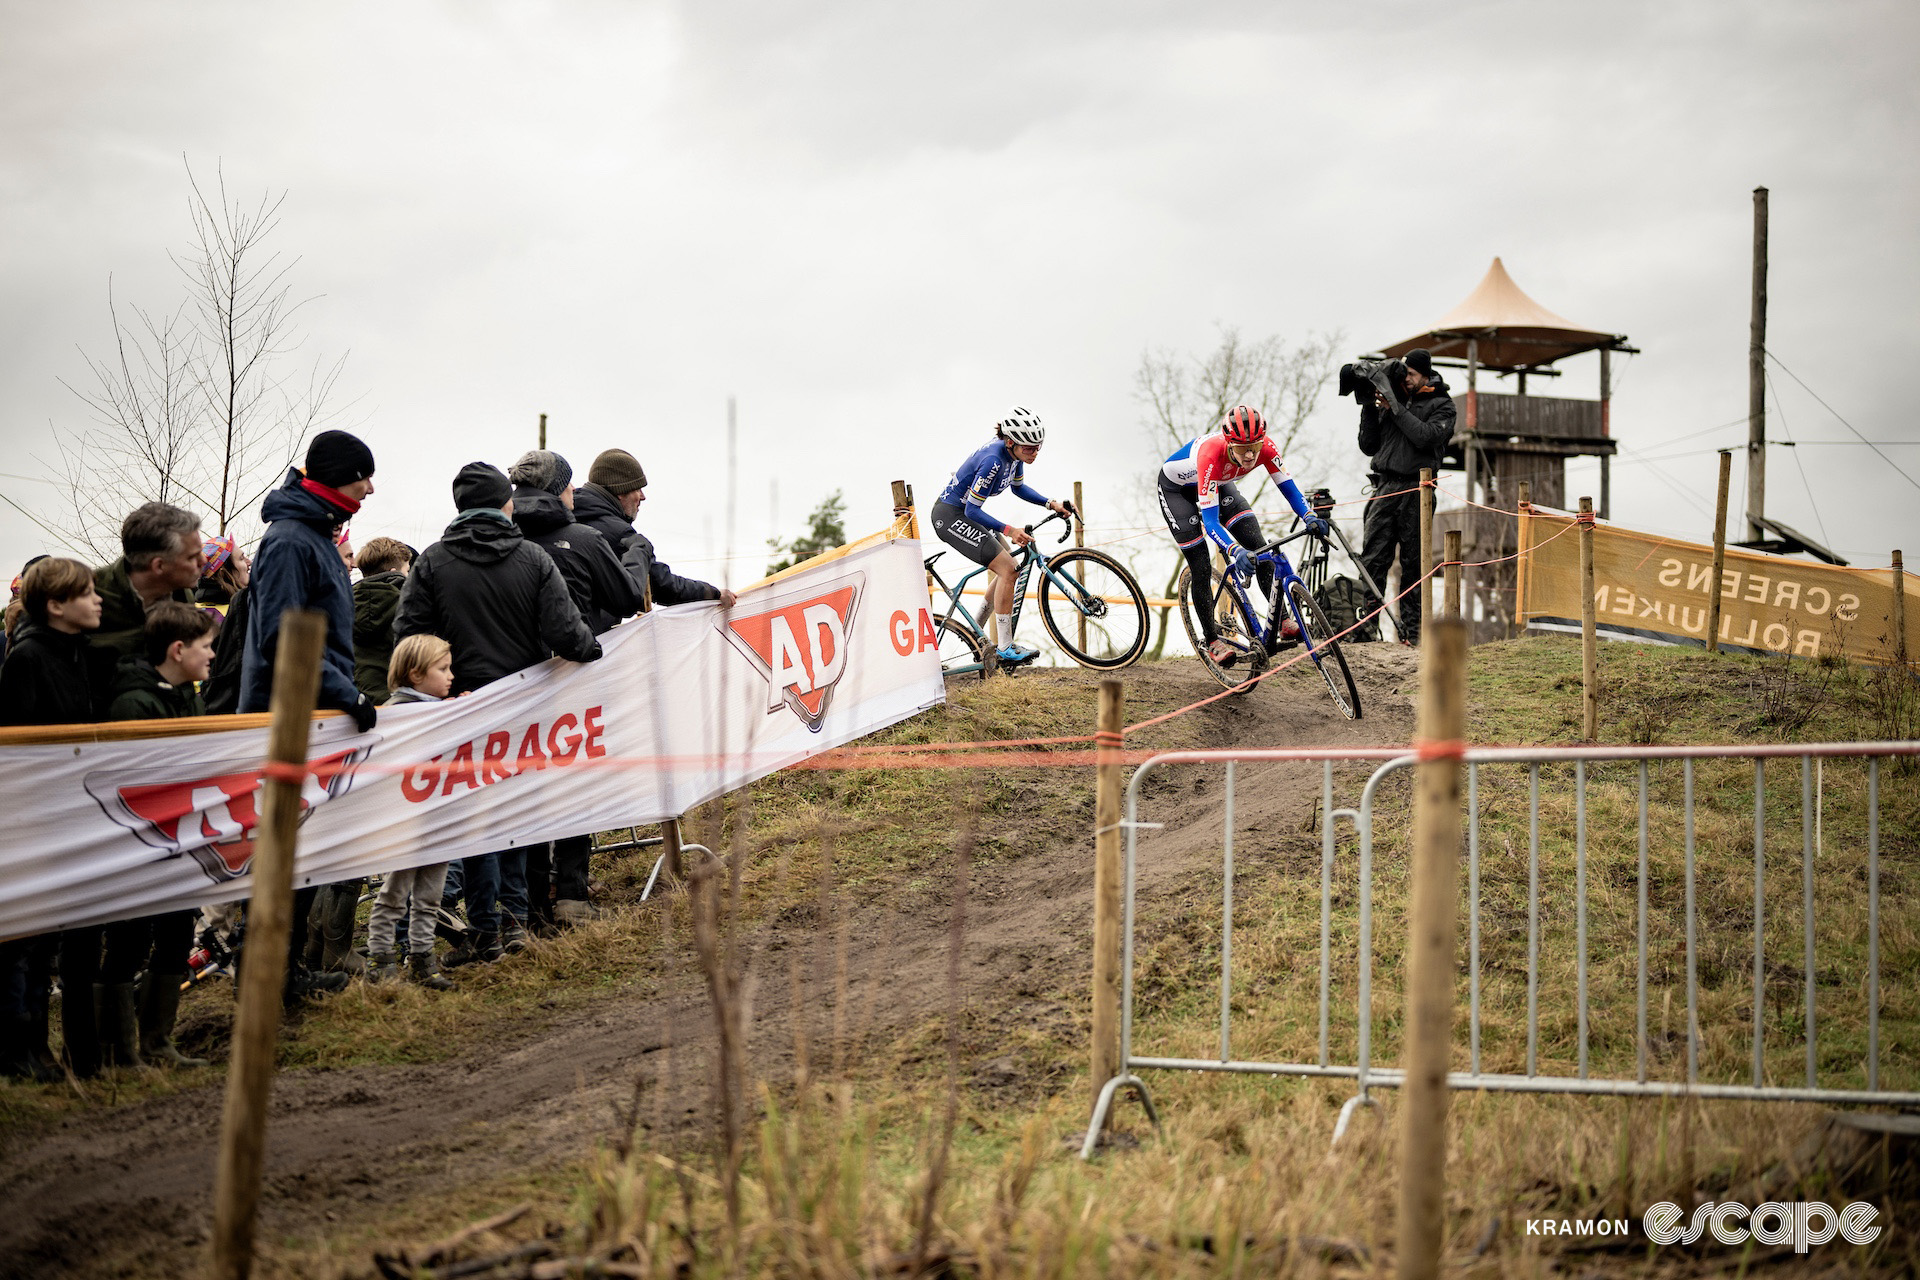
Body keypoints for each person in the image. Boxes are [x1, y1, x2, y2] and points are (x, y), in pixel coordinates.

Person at [395, 461, 603, 964]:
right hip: (523, 712)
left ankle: (478, 925)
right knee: (516, 814)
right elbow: (567, 634)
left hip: (457, 710)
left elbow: (407, 637)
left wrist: (444, 686)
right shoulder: (532, 559)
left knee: (468, 818)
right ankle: (513, 922)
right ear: (506, 505)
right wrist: (593, 651)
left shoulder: (431, 563)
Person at [240, 428, 380, 1002]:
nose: (370, 488)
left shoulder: (316, 535)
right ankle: (268, 980)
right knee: (282, 850)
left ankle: (287, 971)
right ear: (332, 477)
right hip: (289, 716)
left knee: (303, 850)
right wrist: (346, 692)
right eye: (361, 476)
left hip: (315, 715)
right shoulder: (293, 541)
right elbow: (282, 636)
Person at [507, 450, 641, 934]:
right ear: (559, 490)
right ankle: (570, 894)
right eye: (569, 487)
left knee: (526, 788)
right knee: (575, 782)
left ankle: (528, 904)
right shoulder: (581, 539)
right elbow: (627, 598)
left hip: (508, 687)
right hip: (573, 681)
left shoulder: (504, 540)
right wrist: (635, 556)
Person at [96, 601, 218, 1068]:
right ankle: (117, 1050)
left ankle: (157, 1042)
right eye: (206, 647)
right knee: (128, 941)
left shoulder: (188, 693)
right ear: (178, 648)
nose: (212, 655)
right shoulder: (133, 702)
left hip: (182, 836)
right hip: (141, 842)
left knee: (175, 933)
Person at [0, 558, 102, 1080]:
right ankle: (18, 1050)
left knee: (48, 940)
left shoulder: (76, 652)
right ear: (56, 605)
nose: (98, 599)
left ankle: (39, 1046)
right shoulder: (30, 657)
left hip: (67, 807)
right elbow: (18, 745)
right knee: (25, 941)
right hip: (35, 814)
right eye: (86, 593)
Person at [1157, 406, 1328, 665]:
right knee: (1201, 566)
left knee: (1260, 548)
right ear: (1229, 443)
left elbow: (1289, 489)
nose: (1249, 454)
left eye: (1255, 446)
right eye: (1242, 447)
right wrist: (1234, 551)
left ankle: (1281, 620)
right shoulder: (1211, 456)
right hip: (1177, 492)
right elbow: (1211, 523)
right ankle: (1212, 641)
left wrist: (1309, 516)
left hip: (1218, 484)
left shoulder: (1267, 448)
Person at [931, 406, 1074, 664]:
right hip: (950, 516)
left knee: (1009, 567)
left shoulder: (1013, 456)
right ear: (1010, 442)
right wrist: (1010, 530)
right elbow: (973, 510)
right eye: (1029, 448)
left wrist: (1050, 503)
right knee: (1008, 568)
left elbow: (1018, 488)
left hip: (963, 513)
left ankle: (974, 636)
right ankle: (1005, 646)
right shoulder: (993, 461)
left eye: (1038, 447)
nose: (1035, 453)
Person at [364, 635, 456, 990]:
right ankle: (380, 959)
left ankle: (422, 959)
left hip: (438, 818)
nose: (451, 676)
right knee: (394, 892)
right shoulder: (397, 715)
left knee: (430, 894)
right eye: (443, 669)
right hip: (407, 821)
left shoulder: (440, 708)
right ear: (416, 675)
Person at [1356, 348, 1457, 646]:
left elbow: (1425, 436)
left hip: (1418, 490)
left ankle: (1413, 636)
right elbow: (1368, 445)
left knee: (1415, 565)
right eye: (1405, 373)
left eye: (1412, 373)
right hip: (1384, 487)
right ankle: (1365, 633)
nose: (1407, 378)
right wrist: (1368, 405)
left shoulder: (1443, 406)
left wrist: (1397, 407)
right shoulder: (1391, 397)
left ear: (1426, 374)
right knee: (1372, 561)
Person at [572, 448, 736, 610]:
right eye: (637, 488)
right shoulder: (619, 535)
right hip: (592, 635)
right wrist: (713, 594)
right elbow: (662, 584)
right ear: (620, 491)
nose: (643, 497)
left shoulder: (569, 516)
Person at [92, 503, 204, 665]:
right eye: (192, 557)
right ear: (159, 566)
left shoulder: (183, 597)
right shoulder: (86, 594)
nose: (203, 561)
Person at [352, 537, 415, 703]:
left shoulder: (344, 605)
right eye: (407, 571)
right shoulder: (409, 609)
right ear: (394, 572)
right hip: (396, 702)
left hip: (356, 703)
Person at [197, 535, 252, 715]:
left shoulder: (195, 609)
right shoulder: (218, 616)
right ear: (225, 571)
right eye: (242, 558)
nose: (249, 562)